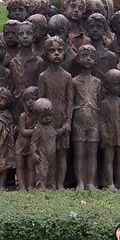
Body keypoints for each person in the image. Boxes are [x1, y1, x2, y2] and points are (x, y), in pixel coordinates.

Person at [37, 36, 73, 189]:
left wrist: (68, 121)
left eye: (60, 50)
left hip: (62, 117)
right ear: (46, 54)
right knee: (48, 153)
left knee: (62, 153)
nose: (56, 53)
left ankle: (60, 184)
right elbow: (40, 100)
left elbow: (70, 100)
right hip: (48, 120)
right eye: (52, 51)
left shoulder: (67, 77)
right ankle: (49, 182)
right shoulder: (43, 76)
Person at [71, 44, 101, 190]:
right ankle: (80, 182)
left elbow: (100, 103)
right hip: (78, 119)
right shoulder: (74, 81)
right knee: (79, 154)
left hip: (94, 118)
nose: (88, 59)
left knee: (92, 153)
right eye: (84, 56)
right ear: (78, 59)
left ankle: (91, 182)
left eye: (91, 57)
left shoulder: (98, 82)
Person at [98, 69, 120, 190]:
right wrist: (103, 133)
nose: (119, 87)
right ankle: (110, 182)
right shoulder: (104, 103)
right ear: (107, 86)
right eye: (115, 84)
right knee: (109, 159)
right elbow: (102, 120)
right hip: (110, 133)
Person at [14, 86, 39, 191]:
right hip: (21, 145)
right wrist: (37, 131)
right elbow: (23, 132)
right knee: (20, 167)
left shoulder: (38, 116)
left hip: (31, 146)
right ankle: (22, 186)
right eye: (28, 100)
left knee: (30, 167)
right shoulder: (23, 116)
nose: (30, 102)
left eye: (33, 99)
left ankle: (31, 185)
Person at [31, 98, 58, 189]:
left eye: (50, 115)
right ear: (37, 116)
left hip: (52, 154)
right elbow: (33, 142)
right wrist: (33, 153)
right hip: (42, 154)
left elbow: (55, 133)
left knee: (52, 170)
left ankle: (51, 186)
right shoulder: (37, 128)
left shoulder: (50, 127)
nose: (48, 118)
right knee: (42, 171)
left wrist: (63, 129)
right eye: (44, 116)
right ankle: (41, 187)